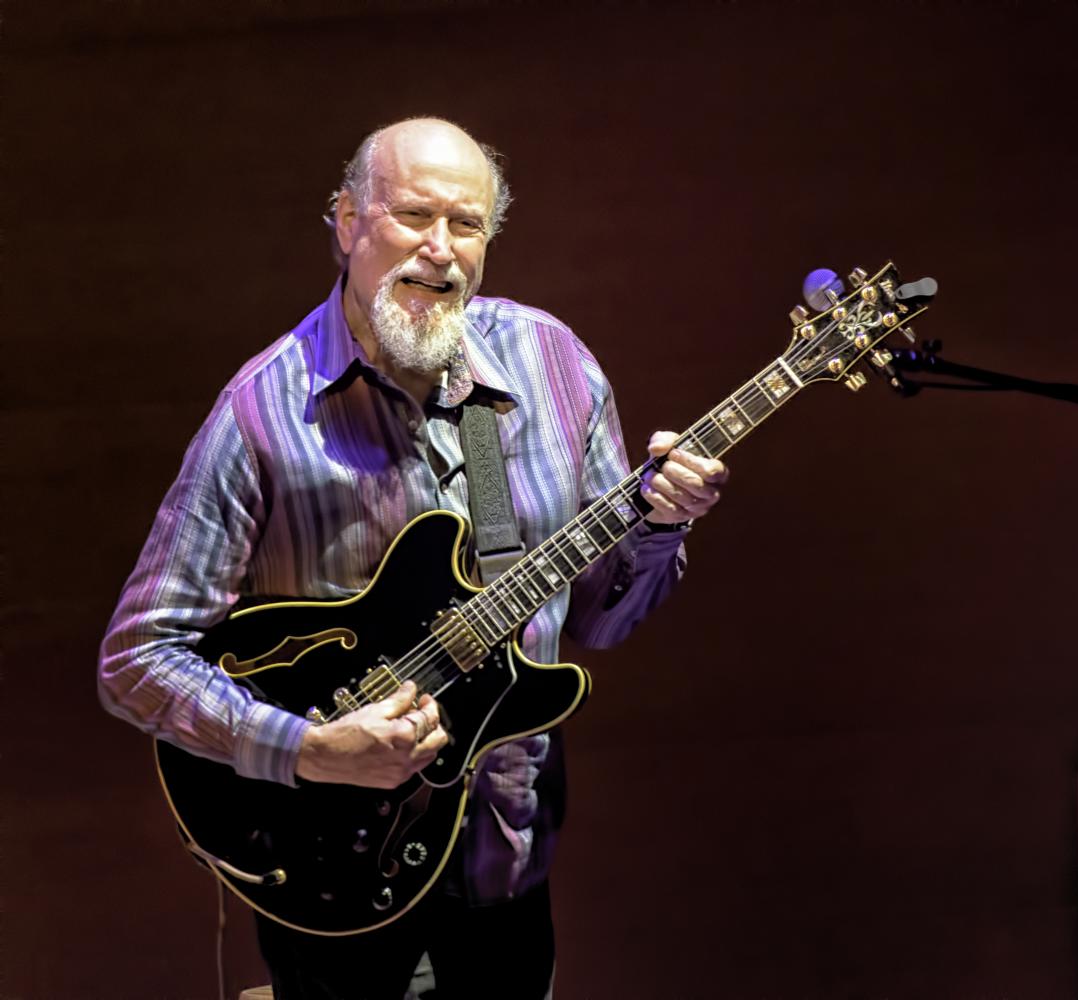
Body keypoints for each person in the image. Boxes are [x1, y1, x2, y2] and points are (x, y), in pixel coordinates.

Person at [99, 117, 727, 999]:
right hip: (332, 876)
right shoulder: (262, 412)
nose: (440, 251)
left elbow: (598, 618)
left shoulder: (552, 364)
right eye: (412, 217)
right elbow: (137, 660)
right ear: (347, 219)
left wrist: (660, 525)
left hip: (505, 864)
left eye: (466, 226)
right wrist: (309, 748)